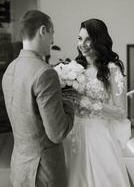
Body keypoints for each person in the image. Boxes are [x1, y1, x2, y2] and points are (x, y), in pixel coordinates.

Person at [2, 10, 74, 187]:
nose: (53, 41)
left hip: (19, 169)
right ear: (43, 30)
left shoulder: (10, 69)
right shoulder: (45, 73)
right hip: (44, 172)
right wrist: (69, 104)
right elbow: (57, 133)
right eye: (52, 33)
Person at [63, 18, 132, 187]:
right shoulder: (73, 68)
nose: (83, 44)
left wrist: (86, 102)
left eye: (88, 39)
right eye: (80, 38)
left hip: (99, 136)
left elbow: (121, 111)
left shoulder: (112, 69)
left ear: (99, 41)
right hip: (73, 135)